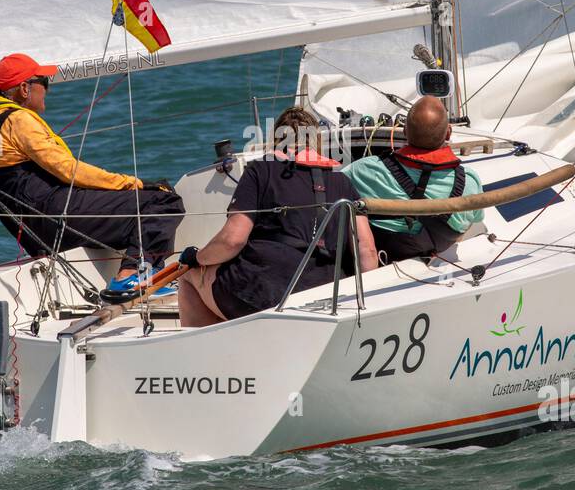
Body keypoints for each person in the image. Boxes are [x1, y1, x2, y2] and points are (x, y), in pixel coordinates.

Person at [0, 53, 184, 293]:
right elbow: (69, 170)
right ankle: (130, 278)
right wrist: (131, 183)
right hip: (55, 220)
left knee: (142, 206)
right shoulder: (19, 121)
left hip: (34, 233)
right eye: (44, 83)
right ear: (24, 89)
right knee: (163, 201)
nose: (47, 89)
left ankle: (139, 272)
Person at [177, 107, 378, 326]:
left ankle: (214, 353)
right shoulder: (342, 182)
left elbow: (232, 240)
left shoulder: (260, 171)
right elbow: (366, 249)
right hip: (327, 294)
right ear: (316, 142)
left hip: (264, 293)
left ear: (276, 141)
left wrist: (197, 259)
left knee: (188, 277)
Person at [341, 96, 483, 262]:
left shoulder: (363, 171)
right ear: (448, 133)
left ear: (406, 132)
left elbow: (333, 186)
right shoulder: (470, 182)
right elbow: (477, 219)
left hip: (378, 267)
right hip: (441, 265)